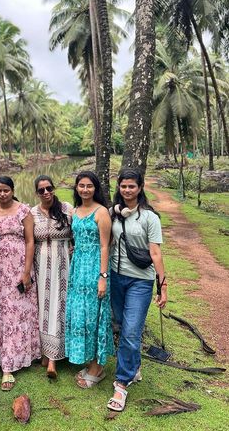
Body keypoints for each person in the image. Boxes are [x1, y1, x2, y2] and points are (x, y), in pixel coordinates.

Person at [107, 169, 167, 412]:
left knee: (131, 331)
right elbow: (106, 242)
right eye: (123, 186)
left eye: (132, 186)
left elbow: (156, 253)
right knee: (121, 323)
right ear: (119, 188)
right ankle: (134, 365)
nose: (127, 190)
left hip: (140, 281)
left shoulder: (150, 218)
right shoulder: (113, 213)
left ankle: (121, 383)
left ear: (140, 188)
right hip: (115, 277)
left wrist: (163, 286)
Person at [0, 176, 40, 391]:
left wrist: (26, 272)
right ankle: (1, 358)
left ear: (12, 190)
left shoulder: (23, 211)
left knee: (19, 311)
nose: (2, 194)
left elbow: (30, 241)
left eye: (6, 190)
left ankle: (14, 361)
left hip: (19, 267)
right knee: (0, 312)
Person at [65, 171, 114, 388]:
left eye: (89, 186)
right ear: (76, 188)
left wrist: (102, 277)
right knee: (81, 315)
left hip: (95, 267)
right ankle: (89, 361)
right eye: (81, 185)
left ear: (95, 189)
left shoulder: (101, 212)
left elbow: (105, 245)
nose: (85, 189)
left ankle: (97, 367)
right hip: (78, 269)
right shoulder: (75, 211)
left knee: (95, 316)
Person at [31, 175, 73, 379]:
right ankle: (44, 352)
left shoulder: (66, 209)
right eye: (41, 190)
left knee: (58, 306)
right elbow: (28, 241)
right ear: (36, 193)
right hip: (40, 266)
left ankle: (54, 358)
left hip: (63, 264)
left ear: (54, 189)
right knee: (42, 307)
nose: (46, 192)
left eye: (49, 188)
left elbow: (78, 234)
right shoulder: (32, 212)